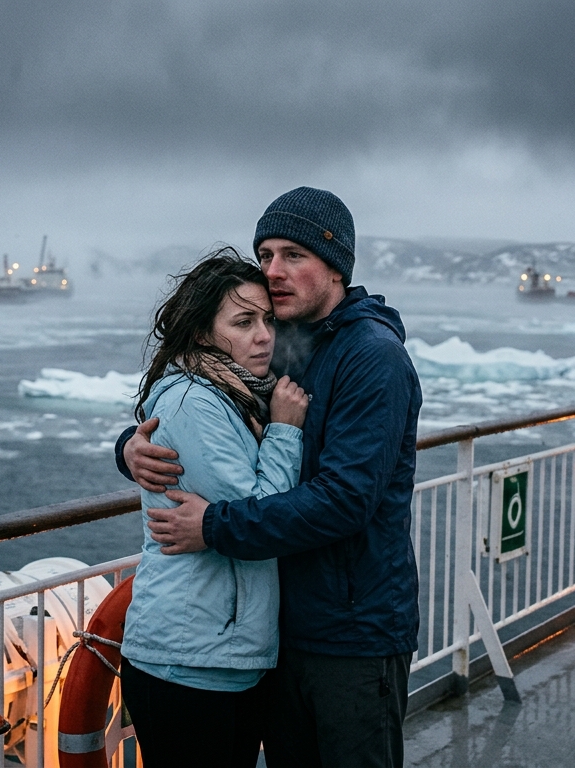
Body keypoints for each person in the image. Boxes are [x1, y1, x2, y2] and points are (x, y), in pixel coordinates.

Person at [118, 187, 423, 767]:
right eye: (265, 254)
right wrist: (132, 447)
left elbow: (344, 500)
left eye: (292, 254)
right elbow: (204, 408)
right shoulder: (289, 345)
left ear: (335, 266)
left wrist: (213, 526)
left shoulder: (372, 358)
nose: (273, 270)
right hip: (286, 632)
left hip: (352, 636)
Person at [118, 248, 309, 768]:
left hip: (224, 655)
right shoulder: (194, 402)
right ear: (202, 332)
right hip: (187, 657)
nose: (264, 335)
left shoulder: (238, 396)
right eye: (244, 322)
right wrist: (287, 431)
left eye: (266, 320)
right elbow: (258, 516)